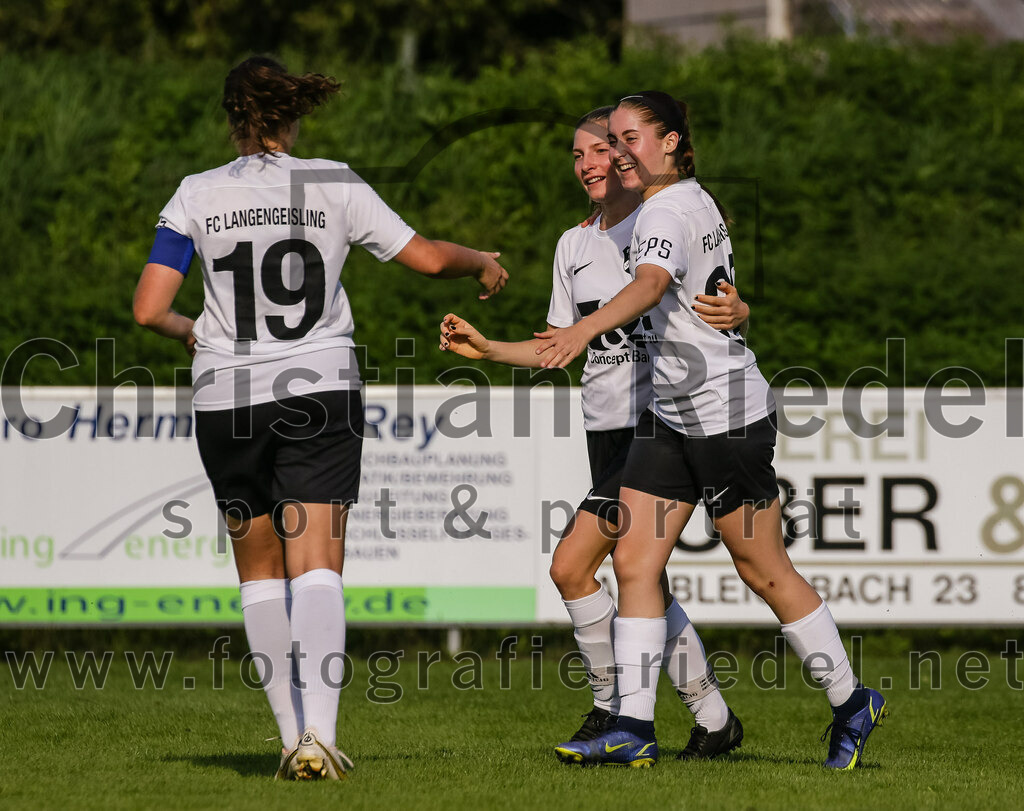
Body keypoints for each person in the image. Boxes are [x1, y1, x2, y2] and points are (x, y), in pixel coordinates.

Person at [133, 56, 508, 781]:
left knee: (259, 574)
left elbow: (148, 308)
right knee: (319, 565)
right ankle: (320, 736)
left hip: (225, 397)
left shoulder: (195, 194)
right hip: (317, 389)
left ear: (232, 117)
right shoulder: (332, 181)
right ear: (293, 114)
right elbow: (428, 259)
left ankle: (286, 737)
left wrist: (193, 333)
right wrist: (481, 264)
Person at [540, 91, 887, 769]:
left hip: (727, 420)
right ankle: (633, 725)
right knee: (636, 562)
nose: (618, 151)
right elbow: (710, 291)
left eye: (631, 137)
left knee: (763, 570)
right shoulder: (691, 200)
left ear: (671, 141)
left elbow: (647, 284)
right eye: (612, 140)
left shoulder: (667, 209)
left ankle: (852, 700)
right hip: (671, 420)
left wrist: (583, 327)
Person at [439, 106, 748, 763]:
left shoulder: (660, 220)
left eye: (600, 149)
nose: (587, 163)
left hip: (656, 425)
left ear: (628, 155)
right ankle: (714, 717)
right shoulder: (573, 245)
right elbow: (562, 346)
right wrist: (490, 349)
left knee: (572, 563)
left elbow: (717, 296)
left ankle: (614, 707)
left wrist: (743, 305)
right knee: (643, 581)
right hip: (603, 431)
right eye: (576, 154)